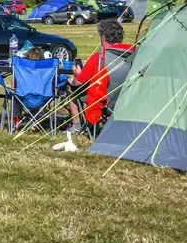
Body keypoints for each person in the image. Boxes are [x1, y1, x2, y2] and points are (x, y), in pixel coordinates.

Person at [52, 18, 135, 152]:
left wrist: (74, 76)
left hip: (104, 100)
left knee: (72, 89)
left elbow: (79, 82)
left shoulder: (99, 57)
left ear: (102, 38)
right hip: (125, 100)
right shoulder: (132, 54)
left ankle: (77, 126)